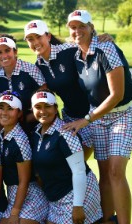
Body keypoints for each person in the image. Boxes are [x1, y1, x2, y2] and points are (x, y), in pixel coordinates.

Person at [63, 10, 132, 224]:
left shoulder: (106, 49)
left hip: (124, 113)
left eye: (81, 26)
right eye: (72, 27)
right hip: (99, 117)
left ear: (91, 27)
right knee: (105, 172)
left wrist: (86, 119)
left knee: (117, 171)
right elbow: (51, 46)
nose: (77, 31)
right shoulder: (77, 55)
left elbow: (116, 95)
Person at [30, 90, 115, 224]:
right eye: (38, 107)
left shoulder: (65, 133)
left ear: (55, 109)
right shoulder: (36, 133)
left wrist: (78, 206)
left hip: (78, 192)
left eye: (47, 106)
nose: (43, 111)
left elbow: (79, 171)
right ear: (32, 110)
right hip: (57, 198)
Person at [23, 20, 93, 160]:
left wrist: (103, 37)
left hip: (94, 115)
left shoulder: (70, 50)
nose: (35, 42)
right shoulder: (39, 65)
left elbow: (93, 47)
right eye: (30, 39)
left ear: (48, 36)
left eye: (38, 36)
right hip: (71, 118)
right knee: (73, 166)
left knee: (107, 169)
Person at [0, 91, 48, 224]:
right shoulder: (2, 134)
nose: (4, 112)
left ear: (19, 113)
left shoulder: (20, 140)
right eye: (1, 108)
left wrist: (15, 213)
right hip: (14, 195)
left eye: (10, 109)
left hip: (31, 196)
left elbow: (24, 181)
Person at [0, 34, 46, 134]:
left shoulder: (30, 70)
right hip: (11, 129)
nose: (4, 56)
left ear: (15, 51)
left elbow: (46, 100)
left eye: (7, 50)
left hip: (36, 126)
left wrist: (24, 120)